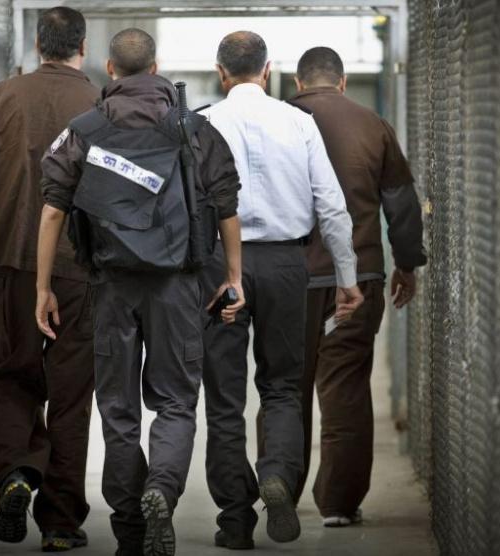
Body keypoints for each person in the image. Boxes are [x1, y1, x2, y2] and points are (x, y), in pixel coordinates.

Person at [36, 28, 244, 556]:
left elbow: (54, 209)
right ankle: (162, 491)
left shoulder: (84, 130)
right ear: (156, 67)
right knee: (176, 402)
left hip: (110, 286)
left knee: (118, 409)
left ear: (110, 70)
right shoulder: (195, 130)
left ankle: (130, 527)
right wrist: (233, 277)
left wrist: (43, 287)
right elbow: (226, 206)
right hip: (176, 285)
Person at [198, 31, 363, 550]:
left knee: (224, 397)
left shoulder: (202, 123)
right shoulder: (299, 122)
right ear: (267, 71)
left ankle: (234, 520)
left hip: (220, 267)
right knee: (283, 388)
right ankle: (277, 476)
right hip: (287, 265)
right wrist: (347, 277)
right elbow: (331, 206)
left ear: (221, 73)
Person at [0, 7, 98, 552]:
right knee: (71, 395)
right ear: (82, 47)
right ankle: (60, 523)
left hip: (12, 266)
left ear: (38, 45)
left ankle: (14, 474)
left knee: (13, 377)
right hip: (80, 273)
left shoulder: (1, 97)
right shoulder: (100, 105)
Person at [287, 46, 427, 526]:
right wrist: (407, 264)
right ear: (343, 82)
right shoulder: (373, 125)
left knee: (284, 386)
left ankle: (280, 483)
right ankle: (339, 504)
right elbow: (401, 205)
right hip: (358, 278)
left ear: (298, 83)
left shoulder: (279, 120)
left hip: (290, 280)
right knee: (344, 386)